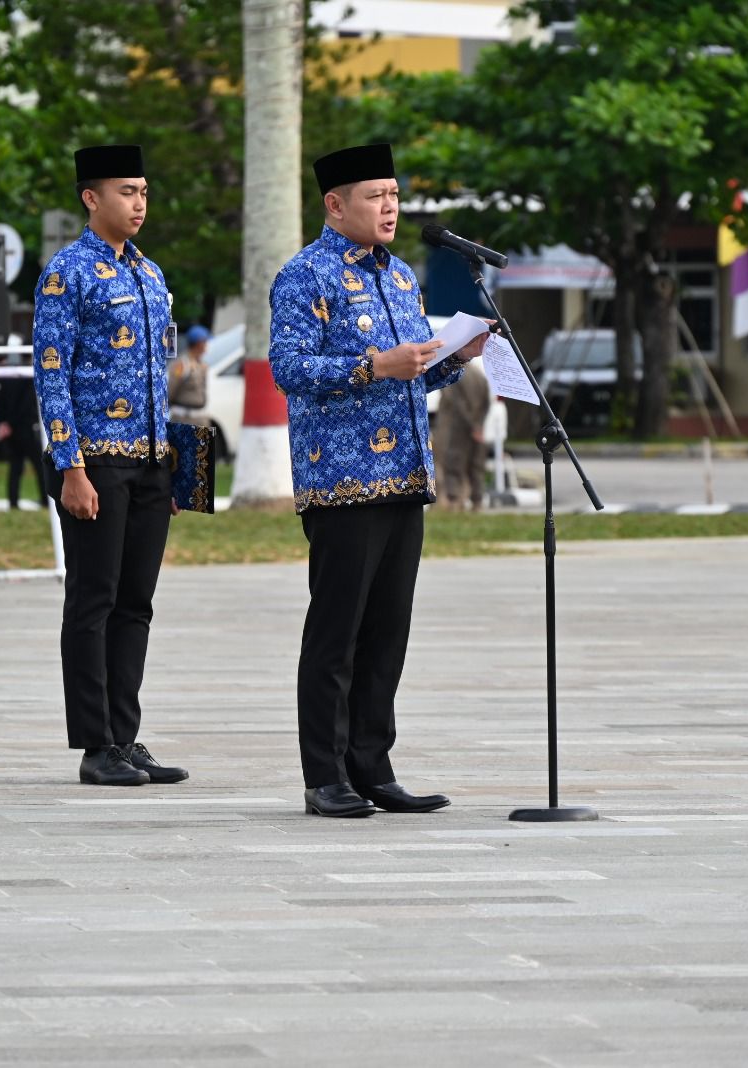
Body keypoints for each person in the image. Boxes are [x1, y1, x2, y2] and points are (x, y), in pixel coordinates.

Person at [268, 142, 488, 818]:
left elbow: (414, 367)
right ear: (336, 206)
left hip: (404, 475)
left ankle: (372, 764)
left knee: (389, 630)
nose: (389, 207)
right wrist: (372, 365)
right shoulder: (305, 276)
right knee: (337, 633)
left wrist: (453, 357)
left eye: (394, 195)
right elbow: (289, 368)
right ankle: (324, 775)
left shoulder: (399, 278)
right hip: (341, 480)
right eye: (375, 196)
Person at [33, 143, 188, 788]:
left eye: (145, 191)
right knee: (92, 600)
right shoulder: (66, 273)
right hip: (95, 463)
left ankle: (125, 735)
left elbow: (162, 378)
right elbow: (51, 375)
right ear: (92, 198)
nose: (139, 202)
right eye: (127, 191)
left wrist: (177, 465)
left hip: (150, 462)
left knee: (137, 603)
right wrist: (71, 468)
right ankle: (94, 744)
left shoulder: (150, 275)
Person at [0, 354, 47, 510]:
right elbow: (25, 405)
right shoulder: (27, 377)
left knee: (16, 466)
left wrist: (4, 423)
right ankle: (44, 499)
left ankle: (13, 501)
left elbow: (0, 404)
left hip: (13, 428)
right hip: (25, 427)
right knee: (38, 465)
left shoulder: (7, 377)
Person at [436, 358, 491, 511]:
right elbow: (486, 403)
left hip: (456, 429)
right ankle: (477, 503)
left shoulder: (454, 374)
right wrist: (479, 425)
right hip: (477, 429)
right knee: (476, 466)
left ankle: (455, 502)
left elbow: (456, 402)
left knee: (453, 464)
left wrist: (472, 425)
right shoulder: (480, 375)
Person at [167, 324, 209, 426]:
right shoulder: (182, 364)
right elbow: (170, 391)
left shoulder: (201, 364)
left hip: (200, 419)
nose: (207, 345)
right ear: (199, 343)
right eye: (205, 342)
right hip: (183, 419)